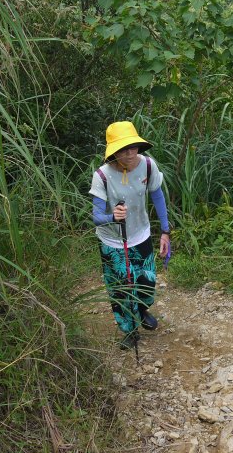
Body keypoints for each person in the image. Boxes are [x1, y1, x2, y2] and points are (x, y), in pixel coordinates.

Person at [89, 121, 171, 350]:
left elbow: (157, 196)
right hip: (113, 241)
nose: (131, 152)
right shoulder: (102, 176)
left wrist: (165, 231)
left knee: (146, 281)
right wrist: (112, 217)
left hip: (140, 233)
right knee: (121, 287)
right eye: (124, 148)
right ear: (114, 151)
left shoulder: (147, 165)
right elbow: (96, 216)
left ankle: (142, 308)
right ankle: (129, 330)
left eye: (134, 146)